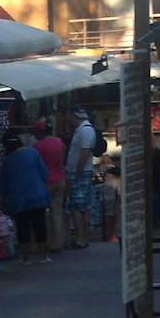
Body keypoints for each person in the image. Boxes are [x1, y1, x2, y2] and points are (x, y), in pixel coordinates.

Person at [0, 133, 51, 264]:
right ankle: (43, 256)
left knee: (22, 227)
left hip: (18, 198)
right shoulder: (33, 153)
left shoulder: (8, 160)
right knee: (40, 225)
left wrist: (3, 197)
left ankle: (25, 257)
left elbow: (4, 183)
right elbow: (44, 173)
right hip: (37, 195)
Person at [65, 106, 98, 248]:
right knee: (82, 206)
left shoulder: (85, 130)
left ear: (75, 116)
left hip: (80, 173)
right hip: (80, 172)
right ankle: (83, 238)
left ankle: (81, 238)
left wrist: (77, 172)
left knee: (77, 206)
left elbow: (84, 152)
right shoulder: (82, 130)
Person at [33, 119, 67, 252]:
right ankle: (58, 243)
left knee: (43, 213)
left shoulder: (37, 146)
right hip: (60, 179)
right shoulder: (59, 142)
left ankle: (45, 242)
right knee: (57, 212)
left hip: (45, 182)